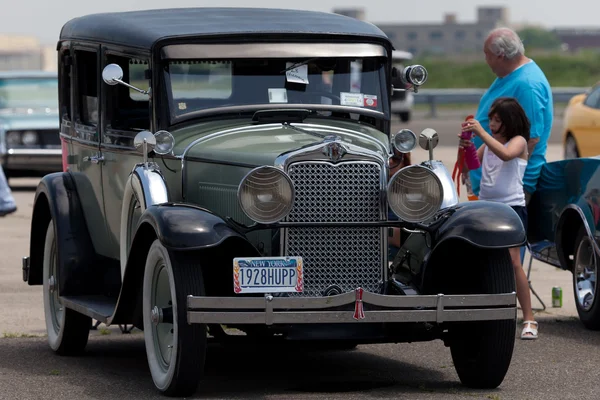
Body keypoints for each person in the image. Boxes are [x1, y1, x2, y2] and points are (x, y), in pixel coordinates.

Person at [468, 27, 553, 262]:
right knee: (490, 251)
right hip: (492, 184)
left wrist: (498, 172)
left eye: (486, 54)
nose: (485, 60)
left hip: (509, 188)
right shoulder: (508, 76)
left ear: (500, 55)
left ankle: (507, 295)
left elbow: (530, 139)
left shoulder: (527, 84)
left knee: (507, 256)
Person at [459, 97, 538, 340]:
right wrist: (466, 146)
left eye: (497, 121)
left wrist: (481, 132)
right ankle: (483, 312)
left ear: (509, 122)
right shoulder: (490, 142)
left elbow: (504, 155)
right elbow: (475, 163)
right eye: (490, 120)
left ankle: (529, 318)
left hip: (511, 208)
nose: (491, 124)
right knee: (481, 258)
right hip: (487, 207)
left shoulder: (518, 142)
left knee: (513, 262)